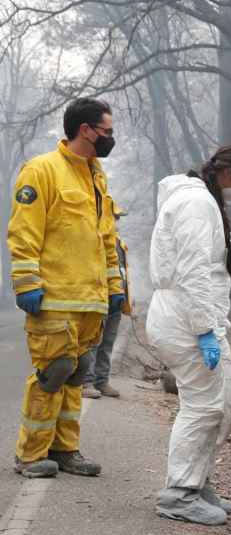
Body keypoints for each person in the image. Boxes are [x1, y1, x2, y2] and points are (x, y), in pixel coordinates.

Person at [7, 97, 124, 479]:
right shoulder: (41, 171)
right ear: (85, 130)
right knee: (53, 372)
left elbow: (106, 238)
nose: (111, 138)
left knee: (76, 375)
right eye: (107, 131)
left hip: (90, 300)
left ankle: (64, 450)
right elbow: (23, 233)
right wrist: (26, 282)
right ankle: (30, 454)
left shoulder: (96, 177)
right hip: (53, 298)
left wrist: (114, 285)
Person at [147, 145, 231, 526]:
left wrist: (212, 326)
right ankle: (180, 491)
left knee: (228, 400)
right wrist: (204, 331)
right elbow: (193, 273)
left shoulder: (206, 202)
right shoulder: (195, 203)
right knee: (203, 405)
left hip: (199, 317)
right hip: (185, 318)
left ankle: (197, 480)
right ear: (227, 173)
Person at [83, 199, 130, 399]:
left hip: (115, 298)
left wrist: (120, 293)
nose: (116, 220)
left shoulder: (118, 242)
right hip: (98, 296)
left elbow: (121, 271)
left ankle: (101, 381)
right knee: (92, 341)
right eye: (114, 216)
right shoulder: (95, 238)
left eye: (117, 217)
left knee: (108, 341)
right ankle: (86, 382)